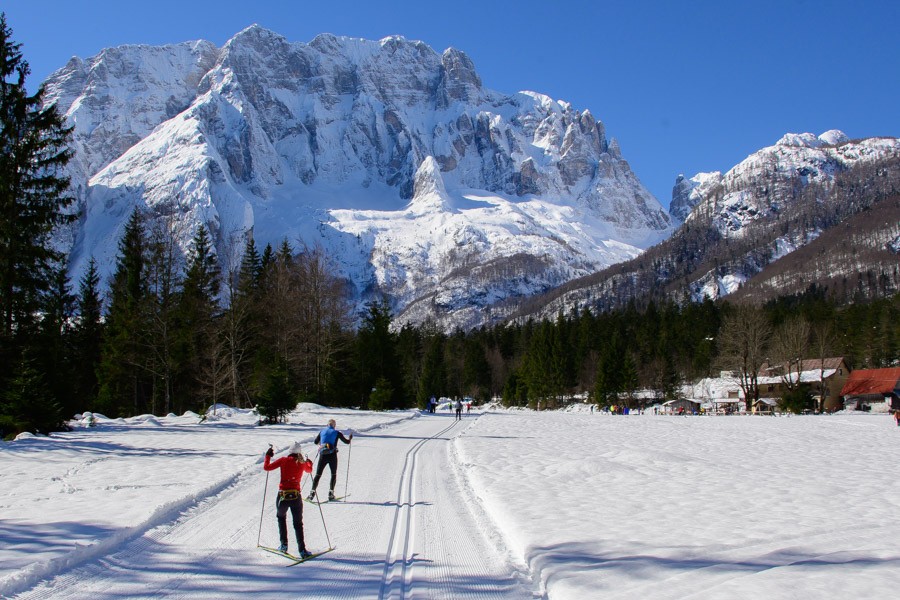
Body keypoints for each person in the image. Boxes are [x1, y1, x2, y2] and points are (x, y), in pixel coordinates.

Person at [264, 442, 313, 558]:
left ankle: (284, 545)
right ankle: (302, 550)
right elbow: (309, 470)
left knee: (281, 518)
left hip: (283, 496)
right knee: (298, 523)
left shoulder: (283, 460)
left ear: (290, 452)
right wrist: (309, 463)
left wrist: (268, 456)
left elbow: (267, 467)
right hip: (296, 497)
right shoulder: (302, 463)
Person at [308, 419, 352, 501]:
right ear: (334, 425)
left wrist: (322, 444)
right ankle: (331, 494)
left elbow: (315, 442)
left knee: (318, 474)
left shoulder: (322, 431)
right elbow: (347, 442)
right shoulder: (337, 433)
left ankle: (312, 493)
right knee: (333, 474)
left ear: (327, 425)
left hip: (322, 455)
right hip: (332, 456)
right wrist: (350, 439)